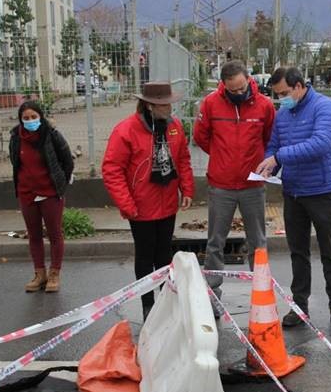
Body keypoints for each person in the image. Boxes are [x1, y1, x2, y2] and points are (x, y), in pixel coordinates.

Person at [255, 67, 331, 330]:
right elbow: (274, 145)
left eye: (284, 93)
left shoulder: (324, 108)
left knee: (330, 251)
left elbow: (321, 143)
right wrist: (269, 164)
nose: (281, 99)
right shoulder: (283, 113)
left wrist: (279, 157)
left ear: (299, 86)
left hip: (321, 190)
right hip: (293, 191)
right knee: (298, 252)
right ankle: (299, 306)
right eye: (277, 95)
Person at [102, 81, 194, 320]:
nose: (170, 109)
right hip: (140, 206)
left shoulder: (174, 127)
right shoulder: (126, 131)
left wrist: (187, 189)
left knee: (164, 255)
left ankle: (165, 301)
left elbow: (182, 159)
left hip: (167, 202)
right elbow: (112, 170)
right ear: (150, 106)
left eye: (170, 104)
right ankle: (148, 305)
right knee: (145, 256)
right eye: (164, 105)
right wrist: (127, 204)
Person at [193, 61, 275, 317]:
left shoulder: (264, 105)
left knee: (258, 242)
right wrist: (222, 157)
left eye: (242, 88)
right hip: (221, 185)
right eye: (233, 90)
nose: (239, 93)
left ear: (248, 80)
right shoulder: (210, 104)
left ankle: (261, 295)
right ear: (224, 86)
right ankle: (213, 297)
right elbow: (201, 137)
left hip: (253, 184)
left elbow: (269, 137)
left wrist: (255, 162)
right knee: (216, 242)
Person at [9, 100, 73, 293]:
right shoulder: (16, 138)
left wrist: (60, 184)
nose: (30, 121)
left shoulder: (52, 135)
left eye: (33, 117)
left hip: (50, 193)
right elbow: (15, 162)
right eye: (26, 118)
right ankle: (39, 274)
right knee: (34, 235)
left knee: (54, 234)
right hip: (26, 193)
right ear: (20, 120)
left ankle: (54, 274)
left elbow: (67, 161)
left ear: (41, 117)